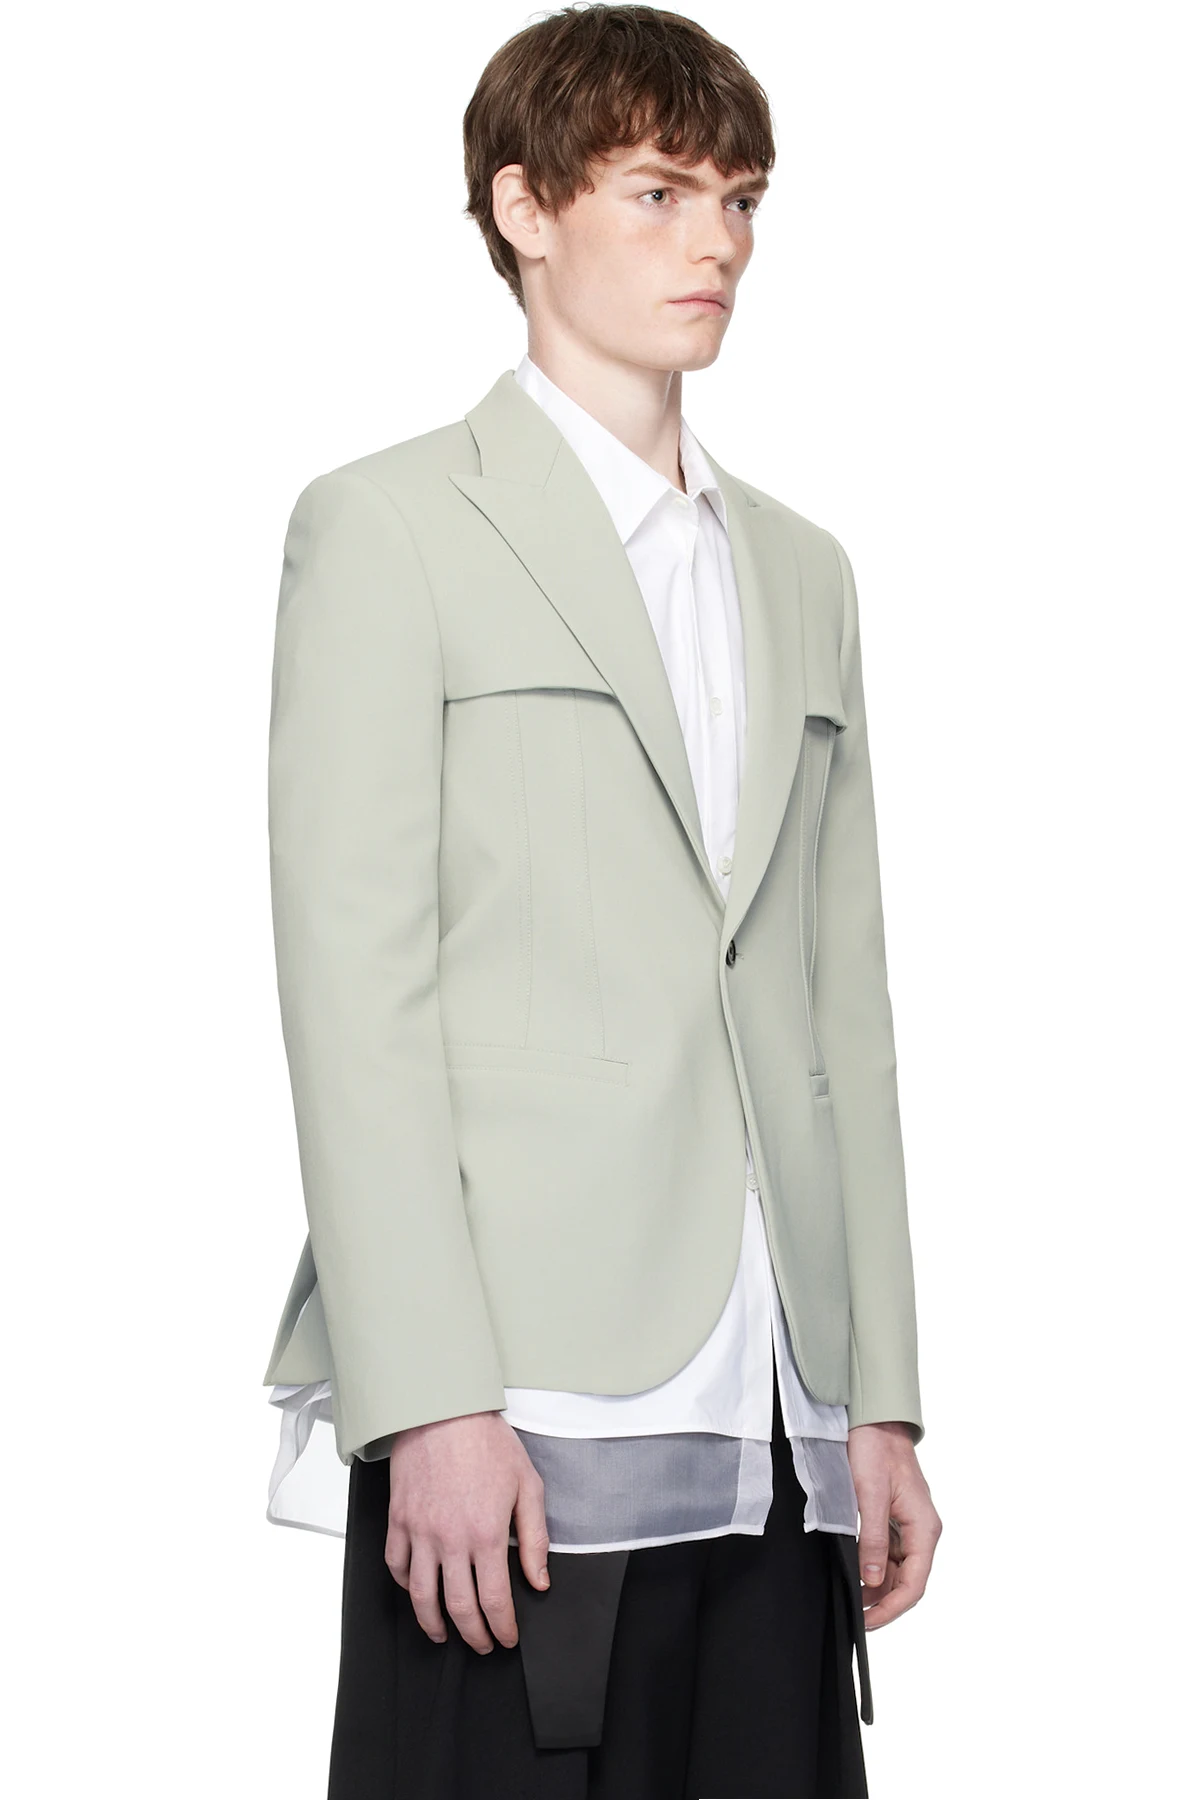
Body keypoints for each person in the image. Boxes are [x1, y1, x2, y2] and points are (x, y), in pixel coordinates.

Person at [259, 6, 942, 1795]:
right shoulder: (392, 527)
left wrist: (877, 1395)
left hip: (777, 1411)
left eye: (741, 199)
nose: (717, 242)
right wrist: (428, 1396)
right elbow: (354, 993)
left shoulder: (806, 571)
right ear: (525, 209)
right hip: (527, 1395)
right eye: (658, 191)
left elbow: (842, 1006)